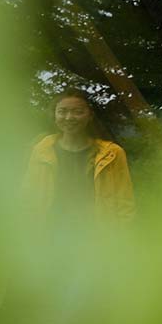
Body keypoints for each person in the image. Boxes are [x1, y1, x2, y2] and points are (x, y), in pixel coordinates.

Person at [24, 90, 135, 226]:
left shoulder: (112, 153)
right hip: (50, 230)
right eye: (62, 111)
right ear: (54, 115)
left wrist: (122, 233)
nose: (69, 117)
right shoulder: (42, 150)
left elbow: (125, 201)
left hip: (97, 232)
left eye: (78, 112)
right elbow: (29, 196)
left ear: (90, 115)